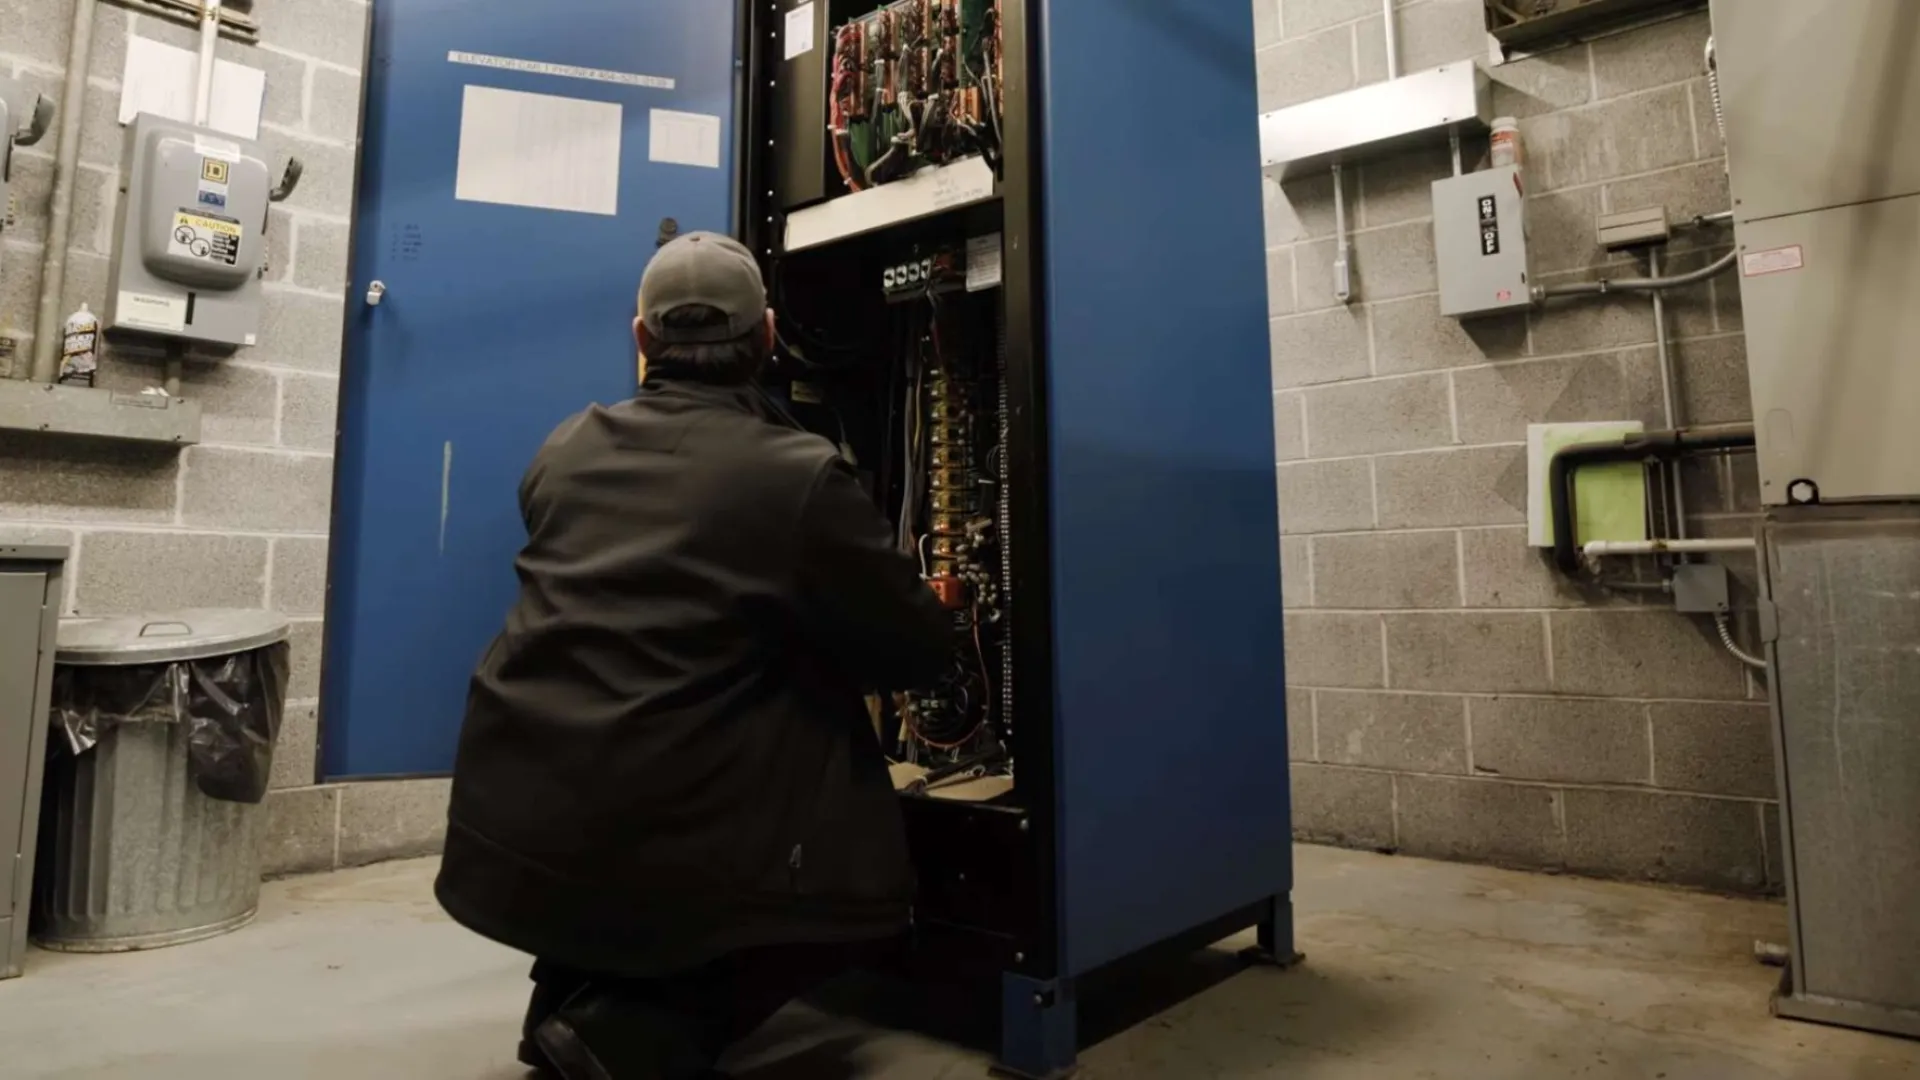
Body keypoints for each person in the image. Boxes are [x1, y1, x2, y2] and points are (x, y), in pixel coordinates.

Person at [435, 232, 954, 1080]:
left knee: (667, 718)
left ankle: (569, 998)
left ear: (641, 341)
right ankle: (633, 1033)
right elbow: (916, 648)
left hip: (508, 830)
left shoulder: (563, 449)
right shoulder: (798, 475)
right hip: (657, 834)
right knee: (859, 867)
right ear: (767, 337)